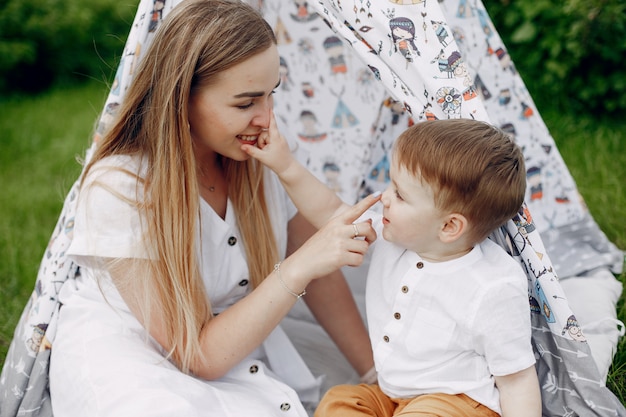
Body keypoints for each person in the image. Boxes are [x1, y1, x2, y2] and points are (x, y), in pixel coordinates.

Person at [47, 0, 379, 415]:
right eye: (245, 104)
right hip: (144, 360)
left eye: (271, 95)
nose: (266, 118)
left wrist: (374, 372)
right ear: (181, 98)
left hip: (230, 340)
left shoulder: (256, 153)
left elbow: (315, 262)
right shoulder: (121, 187)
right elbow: (198, 356)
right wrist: (300, 266)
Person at [243, 116, 541, 416]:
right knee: (339, 403)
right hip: (393, 396)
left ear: (449, 226)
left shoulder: (492, 286)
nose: (384, 197)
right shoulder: (394, 236)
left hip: (457, 403)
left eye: (400, 194)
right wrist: (285, 166)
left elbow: (516, 380)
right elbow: (332, 212)